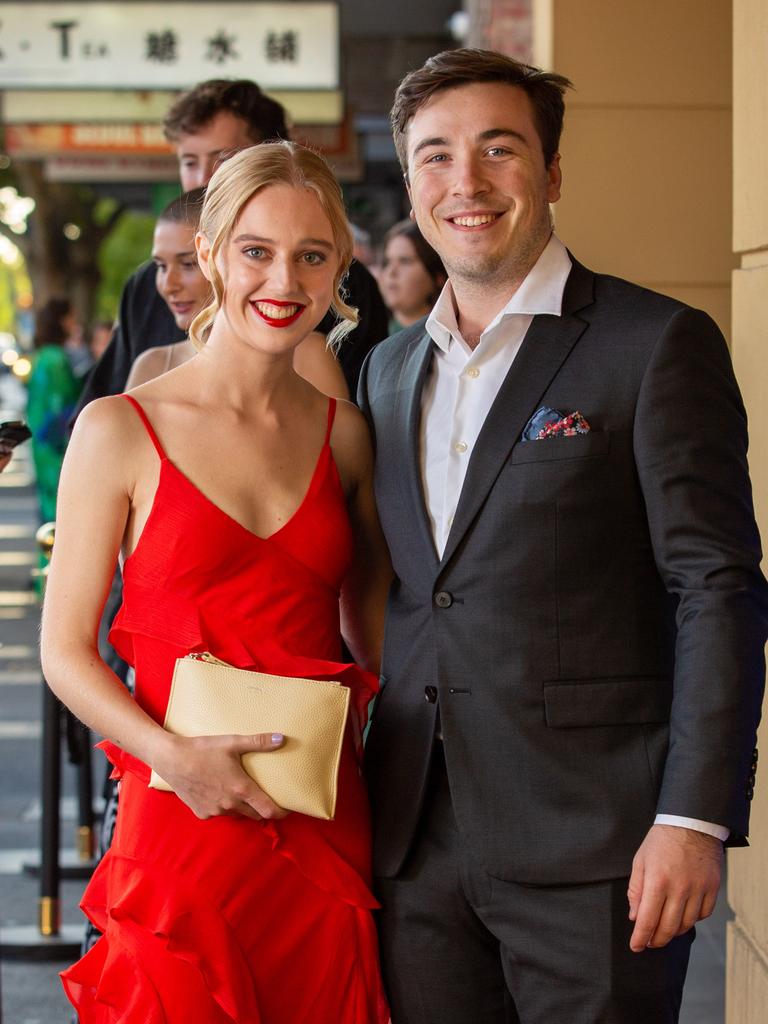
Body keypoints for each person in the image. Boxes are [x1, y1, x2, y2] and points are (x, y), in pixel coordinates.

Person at [357, 48, 767, 1023]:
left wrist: (691, 815)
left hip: (599, 842)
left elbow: (717, 586)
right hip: (415, 834)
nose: (467, 182)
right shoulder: (384, 370)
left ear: (550, 174)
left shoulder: (652, 343)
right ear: (411, 182)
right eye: (436, 156)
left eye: (499, 149)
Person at [42, 141, 392, 1023]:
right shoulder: (118, 428)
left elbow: (378, 636)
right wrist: (172, 759)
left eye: (313, 255)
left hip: (319, 814)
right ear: (210, 254)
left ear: (340, 268)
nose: (285, 279)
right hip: (177, 812)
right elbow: (63, 652)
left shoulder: (345, 435)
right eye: (256, 250)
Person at [75, 79, 388, 413]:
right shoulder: (147, 288)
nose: (204, 180)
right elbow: (97, 411)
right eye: (189, 162)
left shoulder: (344, 288)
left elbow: (370, 425)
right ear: (208, 255)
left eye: (223, 160)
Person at [127, 188, 349, 399]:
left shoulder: (310, 355)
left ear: (210, 258)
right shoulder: (152, 365)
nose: (169, 285)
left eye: (187, 264)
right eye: (161, 266)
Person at [26, 298, 83, 522]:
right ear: (60, 321)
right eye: (70, 318)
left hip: (43, 447)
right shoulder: (56, 360)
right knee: (60, 518)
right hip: (57, 448)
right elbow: (65, 407)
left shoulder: (43, 356)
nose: (74, 323)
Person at [379, 219, 446, 332]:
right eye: (387, 262)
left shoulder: (454, 339)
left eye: (405, 261)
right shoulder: (367, 336)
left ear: (439, 276)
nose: (391, 272)